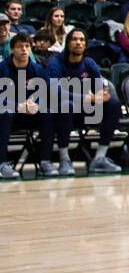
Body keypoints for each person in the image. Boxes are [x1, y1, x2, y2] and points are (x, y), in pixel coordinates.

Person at [45, 28, 122, 175]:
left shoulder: (89, 63)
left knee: (113, 105)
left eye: (82, 40)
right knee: (66, 106)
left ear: (86, 45)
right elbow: (54, 91)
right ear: (68, 43)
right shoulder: (55, 62)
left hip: (84, 110)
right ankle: (64, 159)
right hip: (60, 111)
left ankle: (99, 158)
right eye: (74, 39)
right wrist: (88, 98)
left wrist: (101, 93)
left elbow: (100, 85)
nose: (78, 43)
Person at [0, 34, 55, 179]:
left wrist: (36, 104)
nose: (24, 50)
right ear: (12, 50)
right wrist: (17, 106)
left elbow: (50, 93)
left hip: (30, 114)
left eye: (27, 46)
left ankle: (45, 162)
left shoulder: (38, 70)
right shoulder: (2, 69)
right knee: (5, 112)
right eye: (20, 47)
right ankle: (2, 163)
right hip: (8, 116)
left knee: (47, 112)